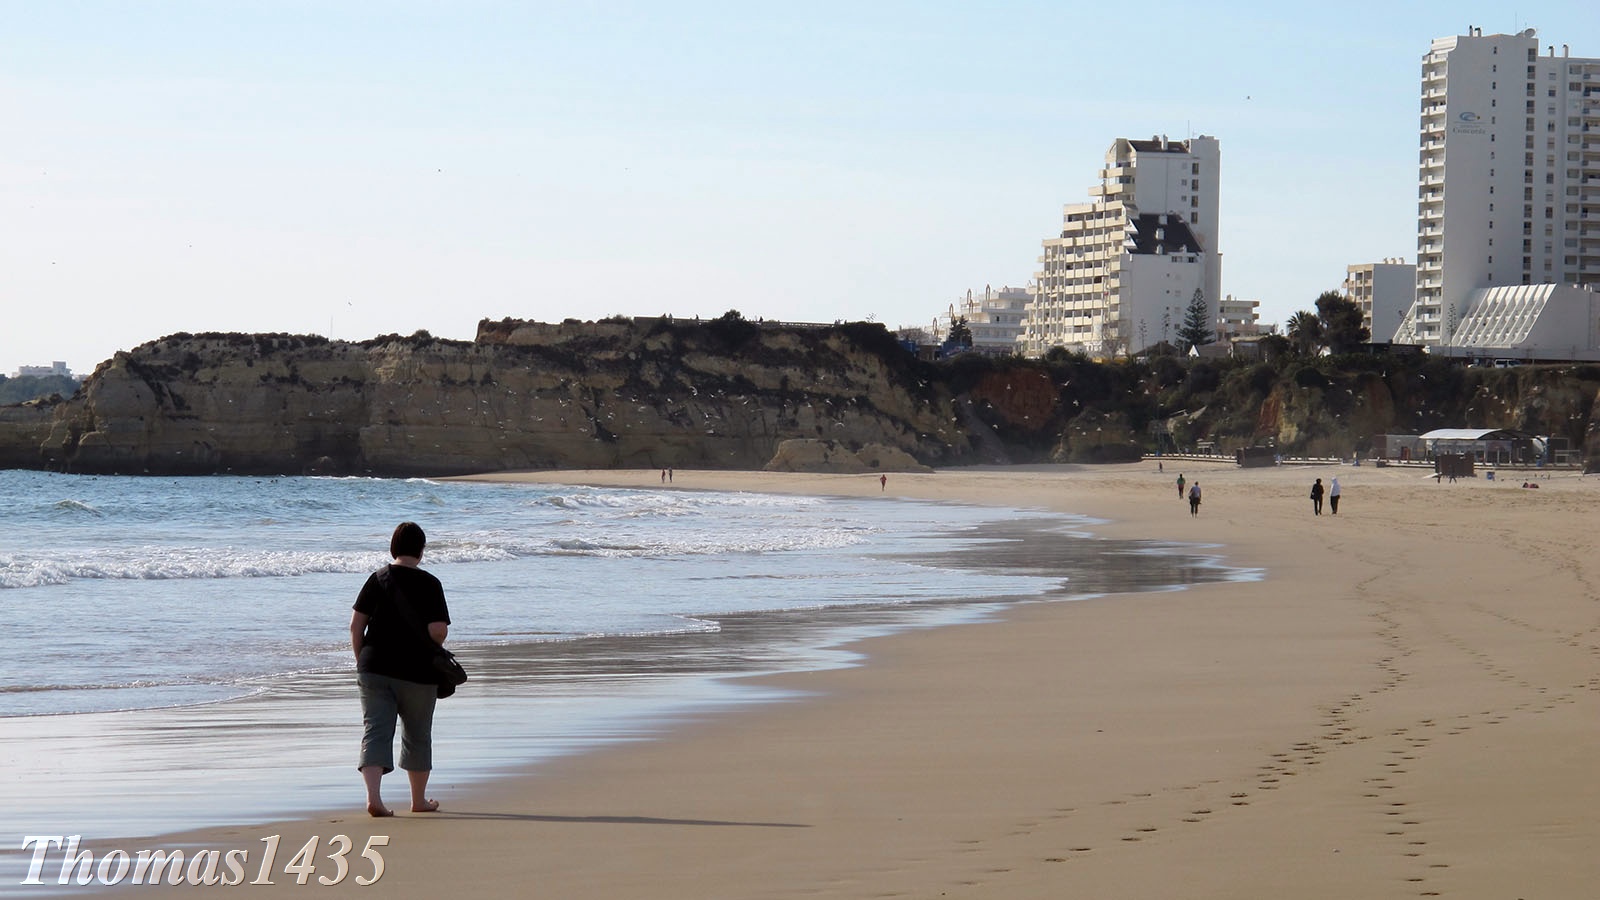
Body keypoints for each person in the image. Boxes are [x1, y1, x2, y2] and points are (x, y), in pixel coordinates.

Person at [350, 521, 451, 817]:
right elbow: (439, 631)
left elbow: (356, 626)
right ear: (421, 550)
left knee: (376, 731)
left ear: (392, 547)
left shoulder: (377, 578)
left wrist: (361, 660)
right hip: (417, 671)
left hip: (373, 667)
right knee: (417, 734)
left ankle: (374, 799)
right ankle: (418, 801)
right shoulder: (430, 583)